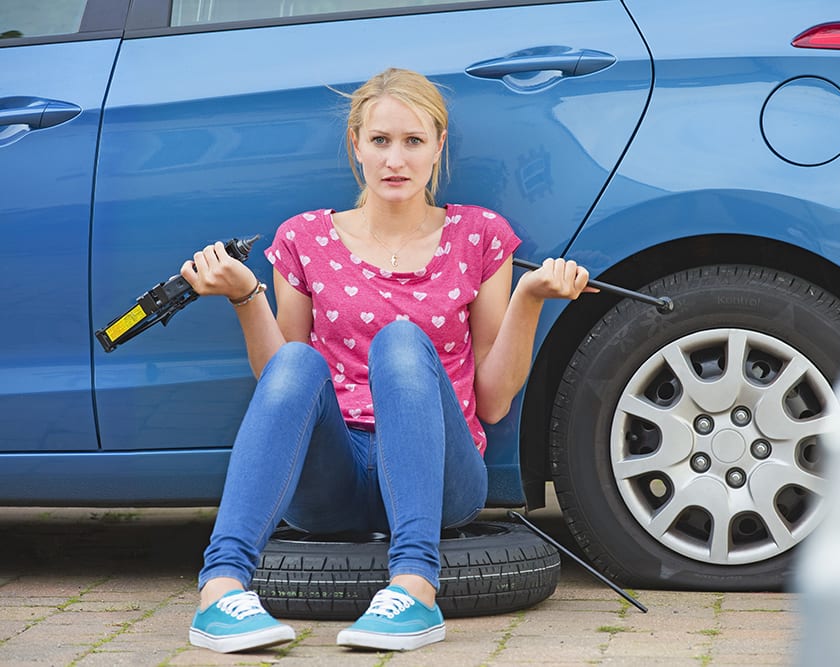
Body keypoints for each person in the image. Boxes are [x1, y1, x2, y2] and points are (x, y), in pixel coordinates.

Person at [181, 67, 592, 654]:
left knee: (400, 342)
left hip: (443, 471)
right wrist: (248, 297)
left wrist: (529, 299)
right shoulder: (304, 239)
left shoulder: (479, 235)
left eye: (413, 141)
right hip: (335, 476)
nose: (395, 159)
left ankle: (415, 590)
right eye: (380, 141)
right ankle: (219, 592)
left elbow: (495, 402)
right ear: (356, 145)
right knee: (299, 359)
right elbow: (284, 385)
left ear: (438, 146)